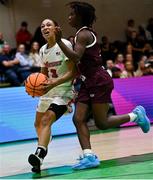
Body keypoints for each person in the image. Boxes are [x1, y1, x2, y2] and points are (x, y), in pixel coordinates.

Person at [54, 1, 151, 170]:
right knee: (78, 119)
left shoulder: (83, 34)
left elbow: (76, 57)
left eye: (72, 14)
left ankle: (136, 115)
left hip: (98, 81)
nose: (69, 17)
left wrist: (59, 41)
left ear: (80, 17)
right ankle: (89, 156)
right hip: (87, 81)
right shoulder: (80, 34)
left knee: (102, 123)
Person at [28, 18, 76, 173]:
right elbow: (43, 75)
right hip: (49, 90)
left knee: (46, 120)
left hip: (64, 91)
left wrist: (54, 84)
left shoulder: (64, 45)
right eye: (42, 26)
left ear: (56, 28)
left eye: (48, 25)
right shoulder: (42, 50)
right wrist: (36, 87)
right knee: (38, 124)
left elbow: (73, 72)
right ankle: (45, 142)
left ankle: (40, 153)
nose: (45, 27)